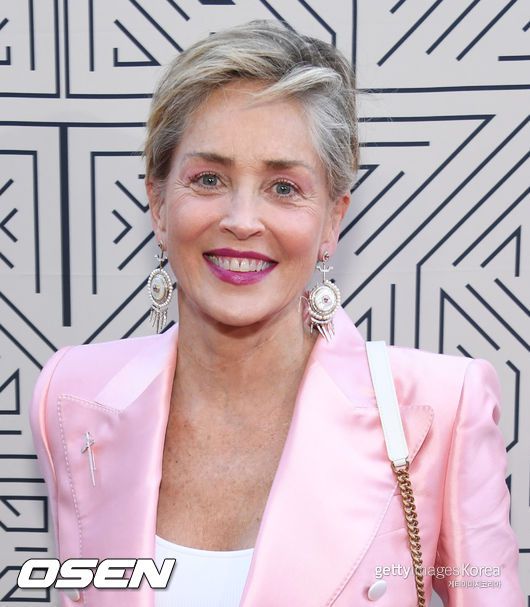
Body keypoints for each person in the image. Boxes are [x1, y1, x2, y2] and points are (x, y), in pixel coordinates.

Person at [29, 19, 523, 607]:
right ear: (158, 204)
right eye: (208, 179)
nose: (242, 220)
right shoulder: (72, 395)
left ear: (332, 220)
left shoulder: (442, 407)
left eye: (283, 187)